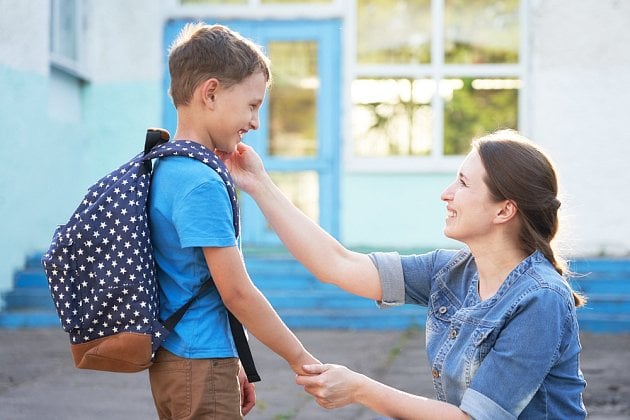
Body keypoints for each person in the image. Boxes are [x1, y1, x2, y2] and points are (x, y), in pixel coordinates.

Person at [218, 129, 587, 419]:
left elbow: (474, 418)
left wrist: (361, 389)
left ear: (504, 211)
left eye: (463, 183)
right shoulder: (451, 272)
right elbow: (337, 264)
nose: (447, 193)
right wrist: (258, 184)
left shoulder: (540, 299)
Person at [148, 23, 319, 419]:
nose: (255, 122)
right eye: (252, 105)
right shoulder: (200, 183)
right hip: (199, 362)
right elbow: (236, 293)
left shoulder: (166, 166)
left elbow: (193, 282)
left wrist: (233, 359)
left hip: (179, 358)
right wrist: (300, 358)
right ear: (210, 93)